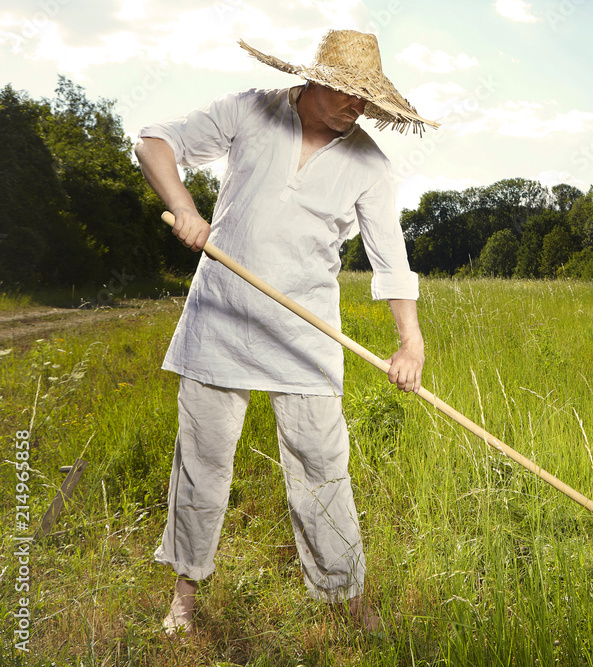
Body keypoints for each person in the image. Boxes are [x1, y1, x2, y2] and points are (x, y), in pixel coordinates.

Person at [134, 28, 438, 636]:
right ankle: (184, 594)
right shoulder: (250, 110)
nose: (357, 106)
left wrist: (411, 341)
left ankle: (345, 595)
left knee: (322, 466)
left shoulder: (370, 164)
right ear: (315, 79)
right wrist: (186, 208)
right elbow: (153, 143)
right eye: (347, 92)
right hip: (220, 316)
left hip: (306, 331)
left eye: (367, 98)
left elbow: (391, 258)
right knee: (201, 462)